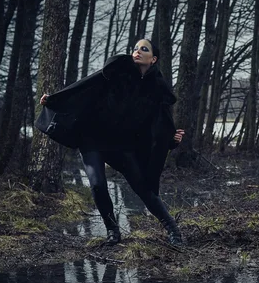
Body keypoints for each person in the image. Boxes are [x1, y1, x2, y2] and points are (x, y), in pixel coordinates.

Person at [36, 39, 185, 245]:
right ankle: (113, 232)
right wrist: (55, 99)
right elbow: (86, 85)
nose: (137, 52)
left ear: (154, 59)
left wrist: (171, 140)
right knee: (97, 185)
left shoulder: (157, 88)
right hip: (92, 137)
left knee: (143, 188)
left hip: (121, 144)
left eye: (144, 49)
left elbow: (159, 124)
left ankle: (174, 231)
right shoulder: (119, 71)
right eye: (135, 48)